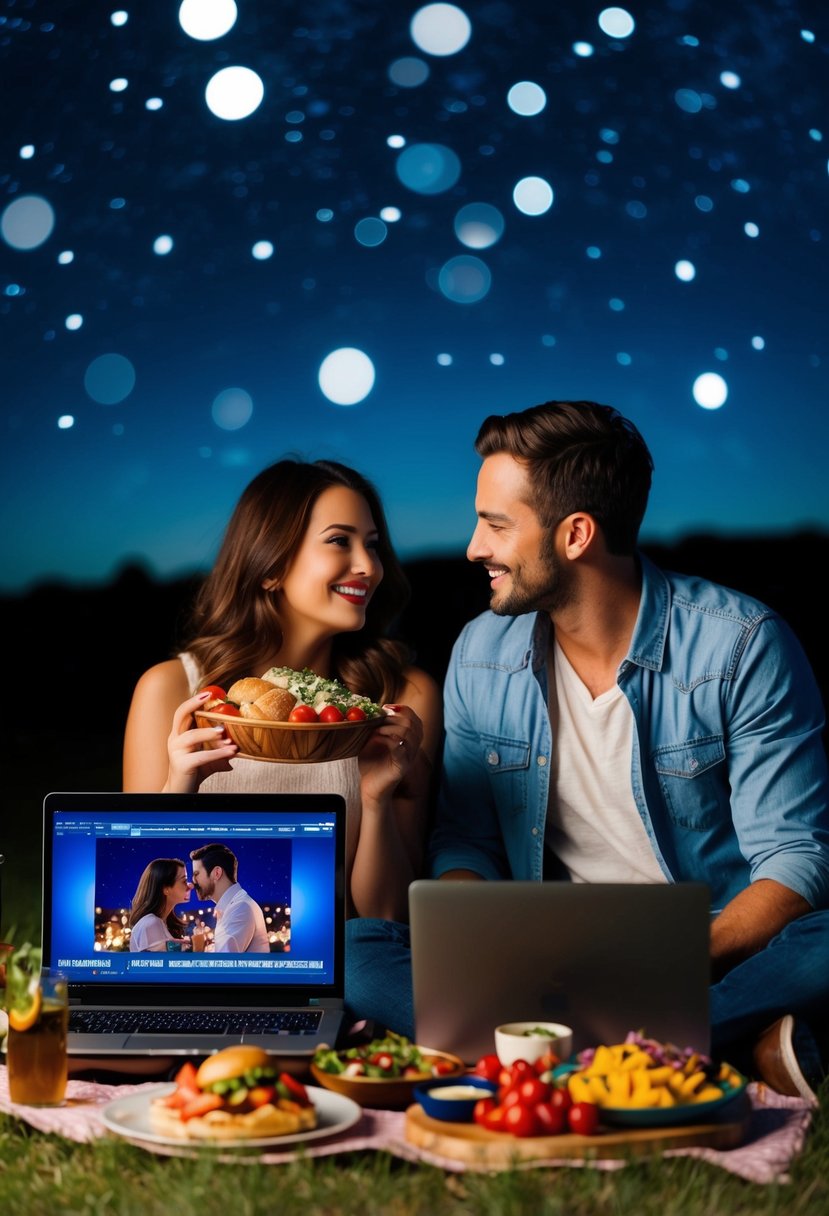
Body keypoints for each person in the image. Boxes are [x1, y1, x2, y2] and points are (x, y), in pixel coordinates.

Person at [428, 398, 829, 1102]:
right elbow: (466, 841)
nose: (473, 548)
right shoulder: (477, 653)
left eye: (495, 525)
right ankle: (729, 1046)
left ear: (575, 534)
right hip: (548, 952)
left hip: (710, 950)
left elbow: (797, 859)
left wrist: (672, 961)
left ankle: (559, 1056)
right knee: (366, 951)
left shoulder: (740, 644)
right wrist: (480, 945)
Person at [123, 458, 441, 1016]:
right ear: (270, 566)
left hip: (344, 975)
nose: (368, 565)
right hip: (203, 988)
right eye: (339, 541)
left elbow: (386, 924)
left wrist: (376, 795)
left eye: (372, 544)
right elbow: (145, 876)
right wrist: (178, 784)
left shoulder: (401, 697)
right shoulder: (172, 689)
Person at [189, 842, 269, 953]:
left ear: (217, 873)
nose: (193, 881)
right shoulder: (232, 907)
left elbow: (221, 966)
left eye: (196, 874)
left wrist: (197, 951)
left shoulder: (240, 908)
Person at [128, 858, 192, 952]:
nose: (190, 886)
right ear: (166, 889)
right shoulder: (151, 923)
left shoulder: (159, 922)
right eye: (184, 881)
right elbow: (164, 964)